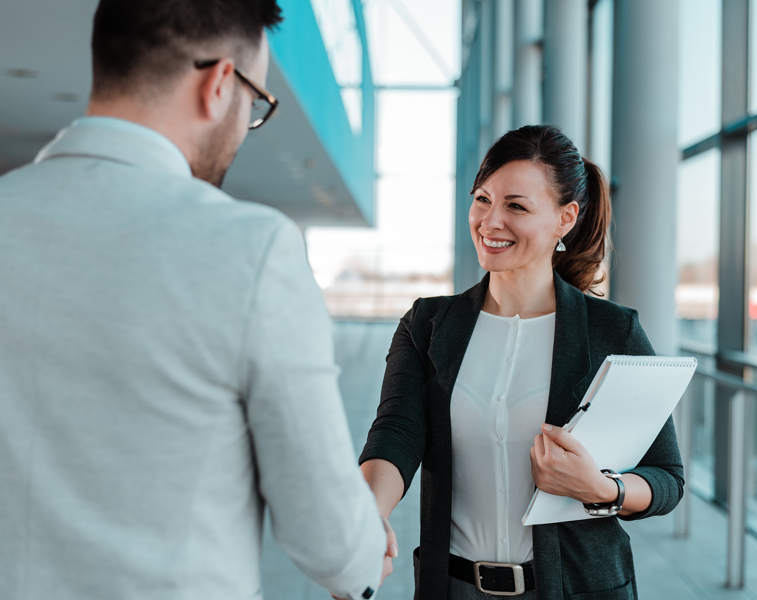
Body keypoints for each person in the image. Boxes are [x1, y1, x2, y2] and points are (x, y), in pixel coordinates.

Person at [0, 2, 390, 599]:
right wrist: (364, 550)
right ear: (218, 85)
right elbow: (331, 542)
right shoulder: (251, 251)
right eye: (255, 100)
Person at [359, 125, 684, 600]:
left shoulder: (612, 332)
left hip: (577, 589)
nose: (490, 221)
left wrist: (601, 488)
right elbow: (396, 435)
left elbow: (666, 479)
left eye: (516, 206)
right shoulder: (428, 324)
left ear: (565, 218)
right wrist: (367, 519)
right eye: (482, 199)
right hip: (452, 588)